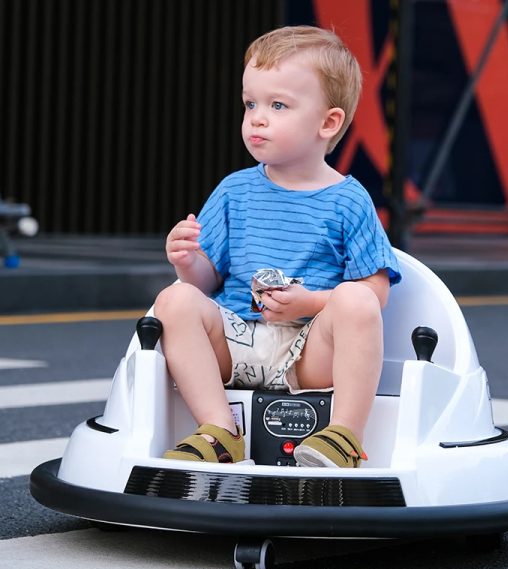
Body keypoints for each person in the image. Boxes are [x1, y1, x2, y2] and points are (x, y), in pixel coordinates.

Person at [154, 25, 401, 468]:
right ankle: (218, 431)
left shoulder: (349, 199)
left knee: (356, 301)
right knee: (173, 301)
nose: (257, 118)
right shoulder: (234, 190)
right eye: (250, 104)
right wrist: (189, 261)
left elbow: (375, 293)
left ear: (329, 123)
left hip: (309, 352)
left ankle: (344, 437)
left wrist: (311, 302)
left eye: (278, 105)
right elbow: (206, 281)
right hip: (238, 340)